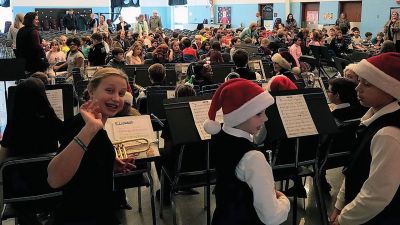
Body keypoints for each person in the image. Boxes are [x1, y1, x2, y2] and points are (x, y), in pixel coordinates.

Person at [47, 67, 135, 225]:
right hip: (81, 217)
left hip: (98, 210)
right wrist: (90, 129)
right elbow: (54, 179)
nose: (116, 98)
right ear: (91, 91)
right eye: (109, 90)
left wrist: (108, 162)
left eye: (121, 93)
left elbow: (85, 160)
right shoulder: (82, 126)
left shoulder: (98, 125)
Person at [203, 78, 290, 225]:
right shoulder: (253, 157)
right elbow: (271, 216)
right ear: (240, 115)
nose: (266, 118)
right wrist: (284, 200)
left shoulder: (219, 136)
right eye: (258, 114)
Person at [330, 52, 400, 225]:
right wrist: (340, 204)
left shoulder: (388, 134)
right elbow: (354, 167)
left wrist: (343, 219)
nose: (357, 88)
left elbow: (376, 195)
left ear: (390, 90)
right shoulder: (371, 118)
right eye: (359, 81)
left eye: (366, 84)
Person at [1, 77, 62, 225]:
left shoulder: (14, 125)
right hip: (52, 187)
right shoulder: (53, 121)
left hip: (21, 193)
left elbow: (2, 159)